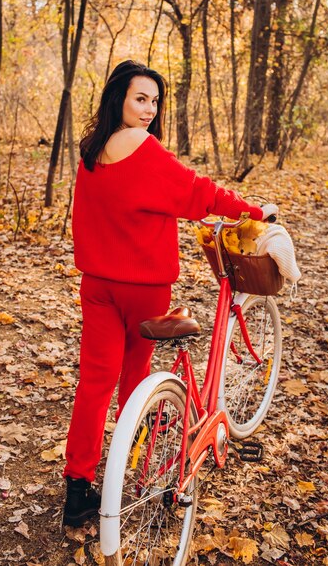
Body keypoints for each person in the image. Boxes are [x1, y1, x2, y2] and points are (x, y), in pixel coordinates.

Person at [63, 60, 277, 527]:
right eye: (140, 98)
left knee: (95, 382)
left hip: (96, 285)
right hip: (142, 286)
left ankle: (77, 487)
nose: (148, 109)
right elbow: (197, 191)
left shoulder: (90, 151)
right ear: (118, 97)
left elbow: (120, 206)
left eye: (155, 101)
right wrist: (252, 209)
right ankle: (131, 460)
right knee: (136, 376)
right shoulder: (144, 147)